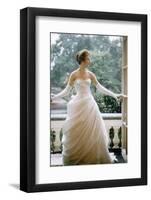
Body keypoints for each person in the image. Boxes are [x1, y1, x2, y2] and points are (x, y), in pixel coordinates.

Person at [51, 49, 125, 166]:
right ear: (83, 60)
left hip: (90, 106)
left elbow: (100, 88)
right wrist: (54, 97)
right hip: (78, 106)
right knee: (78, 133)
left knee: (93, 133)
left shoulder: (90, 74)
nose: (90, 60)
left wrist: (115, 95)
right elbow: (66, 91)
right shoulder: (74, 74)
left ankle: (93, 158)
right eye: (88, 58)